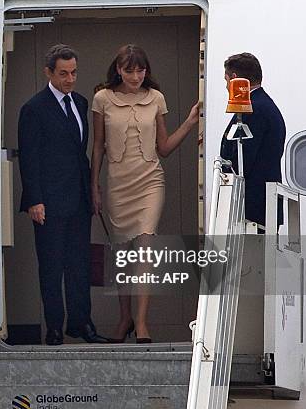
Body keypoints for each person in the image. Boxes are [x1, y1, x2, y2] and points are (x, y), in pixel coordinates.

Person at [91, 44, 200, 343]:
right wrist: (94, 185)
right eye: (130, 70)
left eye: (141, 70)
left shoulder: (156, 98)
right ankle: (124, 317)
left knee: (145, 249)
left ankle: (141, 322)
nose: (136, 76)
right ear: (118, 70)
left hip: (150, 179)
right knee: (121, 255)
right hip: (117, 182)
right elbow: (97, 145)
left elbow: (163, 148)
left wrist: (190, 123)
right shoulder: (102, 99)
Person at [18, 44, 109, 345]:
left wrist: (92, 192)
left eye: (73, 73)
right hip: (49, 201)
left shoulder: (80, 102)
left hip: (78, 198)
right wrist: (34, 199)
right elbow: (30, 158)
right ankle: (54, 326)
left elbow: (80, 153)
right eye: (63, 74)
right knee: (52, 265)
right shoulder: (34, 108)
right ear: (49, 72)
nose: (69, 79)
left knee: (80, 265)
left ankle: (81, 323)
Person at [220, 52, 286, 227]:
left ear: (234, 79)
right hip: (263, 205)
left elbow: (244, 158)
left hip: (254, 208)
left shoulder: (253, 109)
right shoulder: (264, 105)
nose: (226, 87)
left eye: (226, 81)